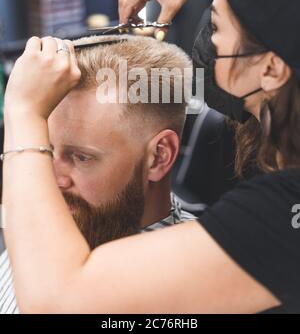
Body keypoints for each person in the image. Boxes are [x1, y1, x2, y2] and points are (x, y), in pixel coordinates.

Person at [3, 0, 300, 314]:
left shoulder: (277, 216)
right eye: (47, 150)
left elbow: (59, 301)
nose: (47, 175)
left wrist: (23, 114)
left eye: (215, 27)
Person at [0, 34, 196, 314]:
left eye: (82, 157)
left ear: (159, 157)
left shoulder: (191, 283)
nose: (49, 179)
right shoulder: (59, 216)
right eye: (44, 149)